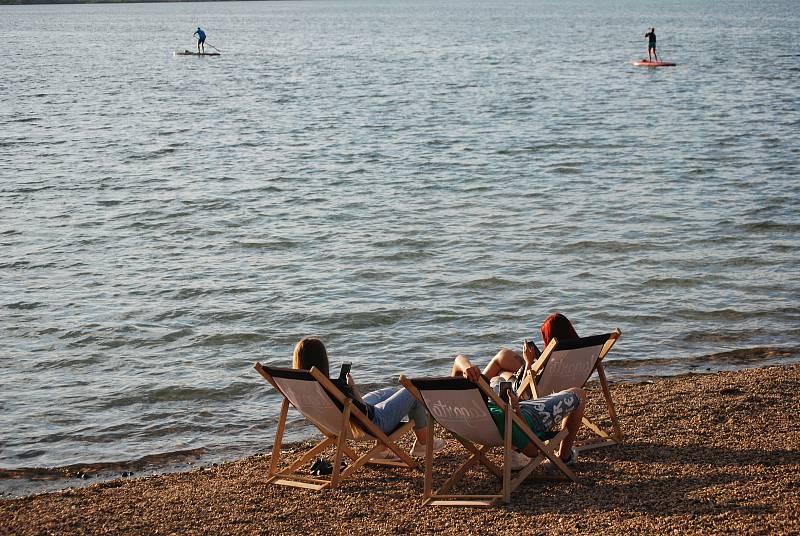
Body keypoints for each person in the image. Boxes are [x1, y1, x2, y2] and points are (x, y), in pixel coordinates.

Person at [292, 337, 443, 458]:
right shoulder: (335, 386)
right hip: (370, 425)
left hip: (338, 426)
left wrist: (350, 389)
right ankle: (423, 445)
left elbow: (356, 409)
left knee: (388, 392)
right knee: (412, 390)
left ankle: (383, 451)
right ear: (323, 360)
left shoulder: (299, 388)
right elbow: (363, 412)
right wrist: (351, 388)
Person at [450, 353, 586, 471]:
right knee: (578, 394)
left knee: (498, 379)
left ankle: (500, 385)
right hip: (529, 416)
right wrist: (516, 410)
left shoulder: (458, 411)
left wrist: (466, 367)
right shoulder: (503, 417)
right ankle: (564, 457)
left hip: (480, 423)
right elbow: (533, 451)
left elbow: (458, 359)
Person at [477, 312, 580, 396]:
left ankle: (476, 386)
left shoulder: (554, 359)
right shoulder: (581, 351)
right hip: (549, 381)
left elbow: (524, 390)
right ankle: (477, 382)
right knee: (504, 355)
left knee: (501, 372)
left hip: (527, 390)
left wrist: (528, 361)